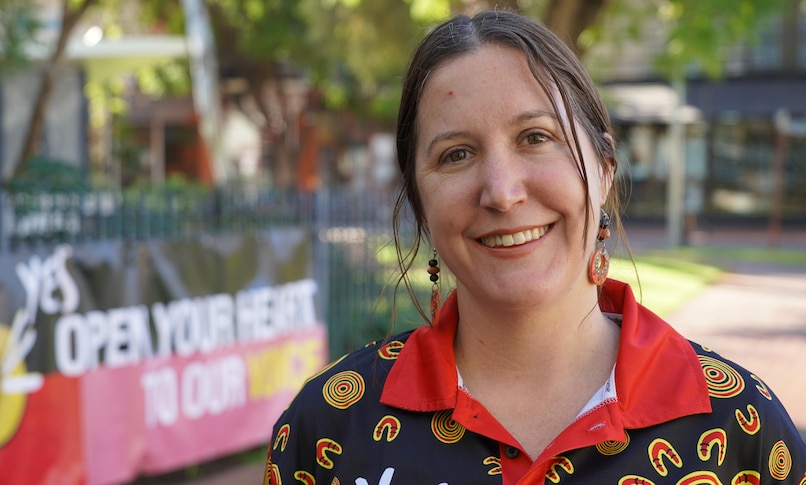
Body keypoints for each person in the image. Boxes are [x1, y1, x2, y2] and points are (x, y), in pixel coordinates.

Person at [265, 9, 806, 484]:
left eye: (536, 138)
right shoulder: (330, 426)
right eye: (456, 154)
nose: (502, 192)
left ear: (604, 169)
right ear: (419, 200)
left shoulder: (740, 427)